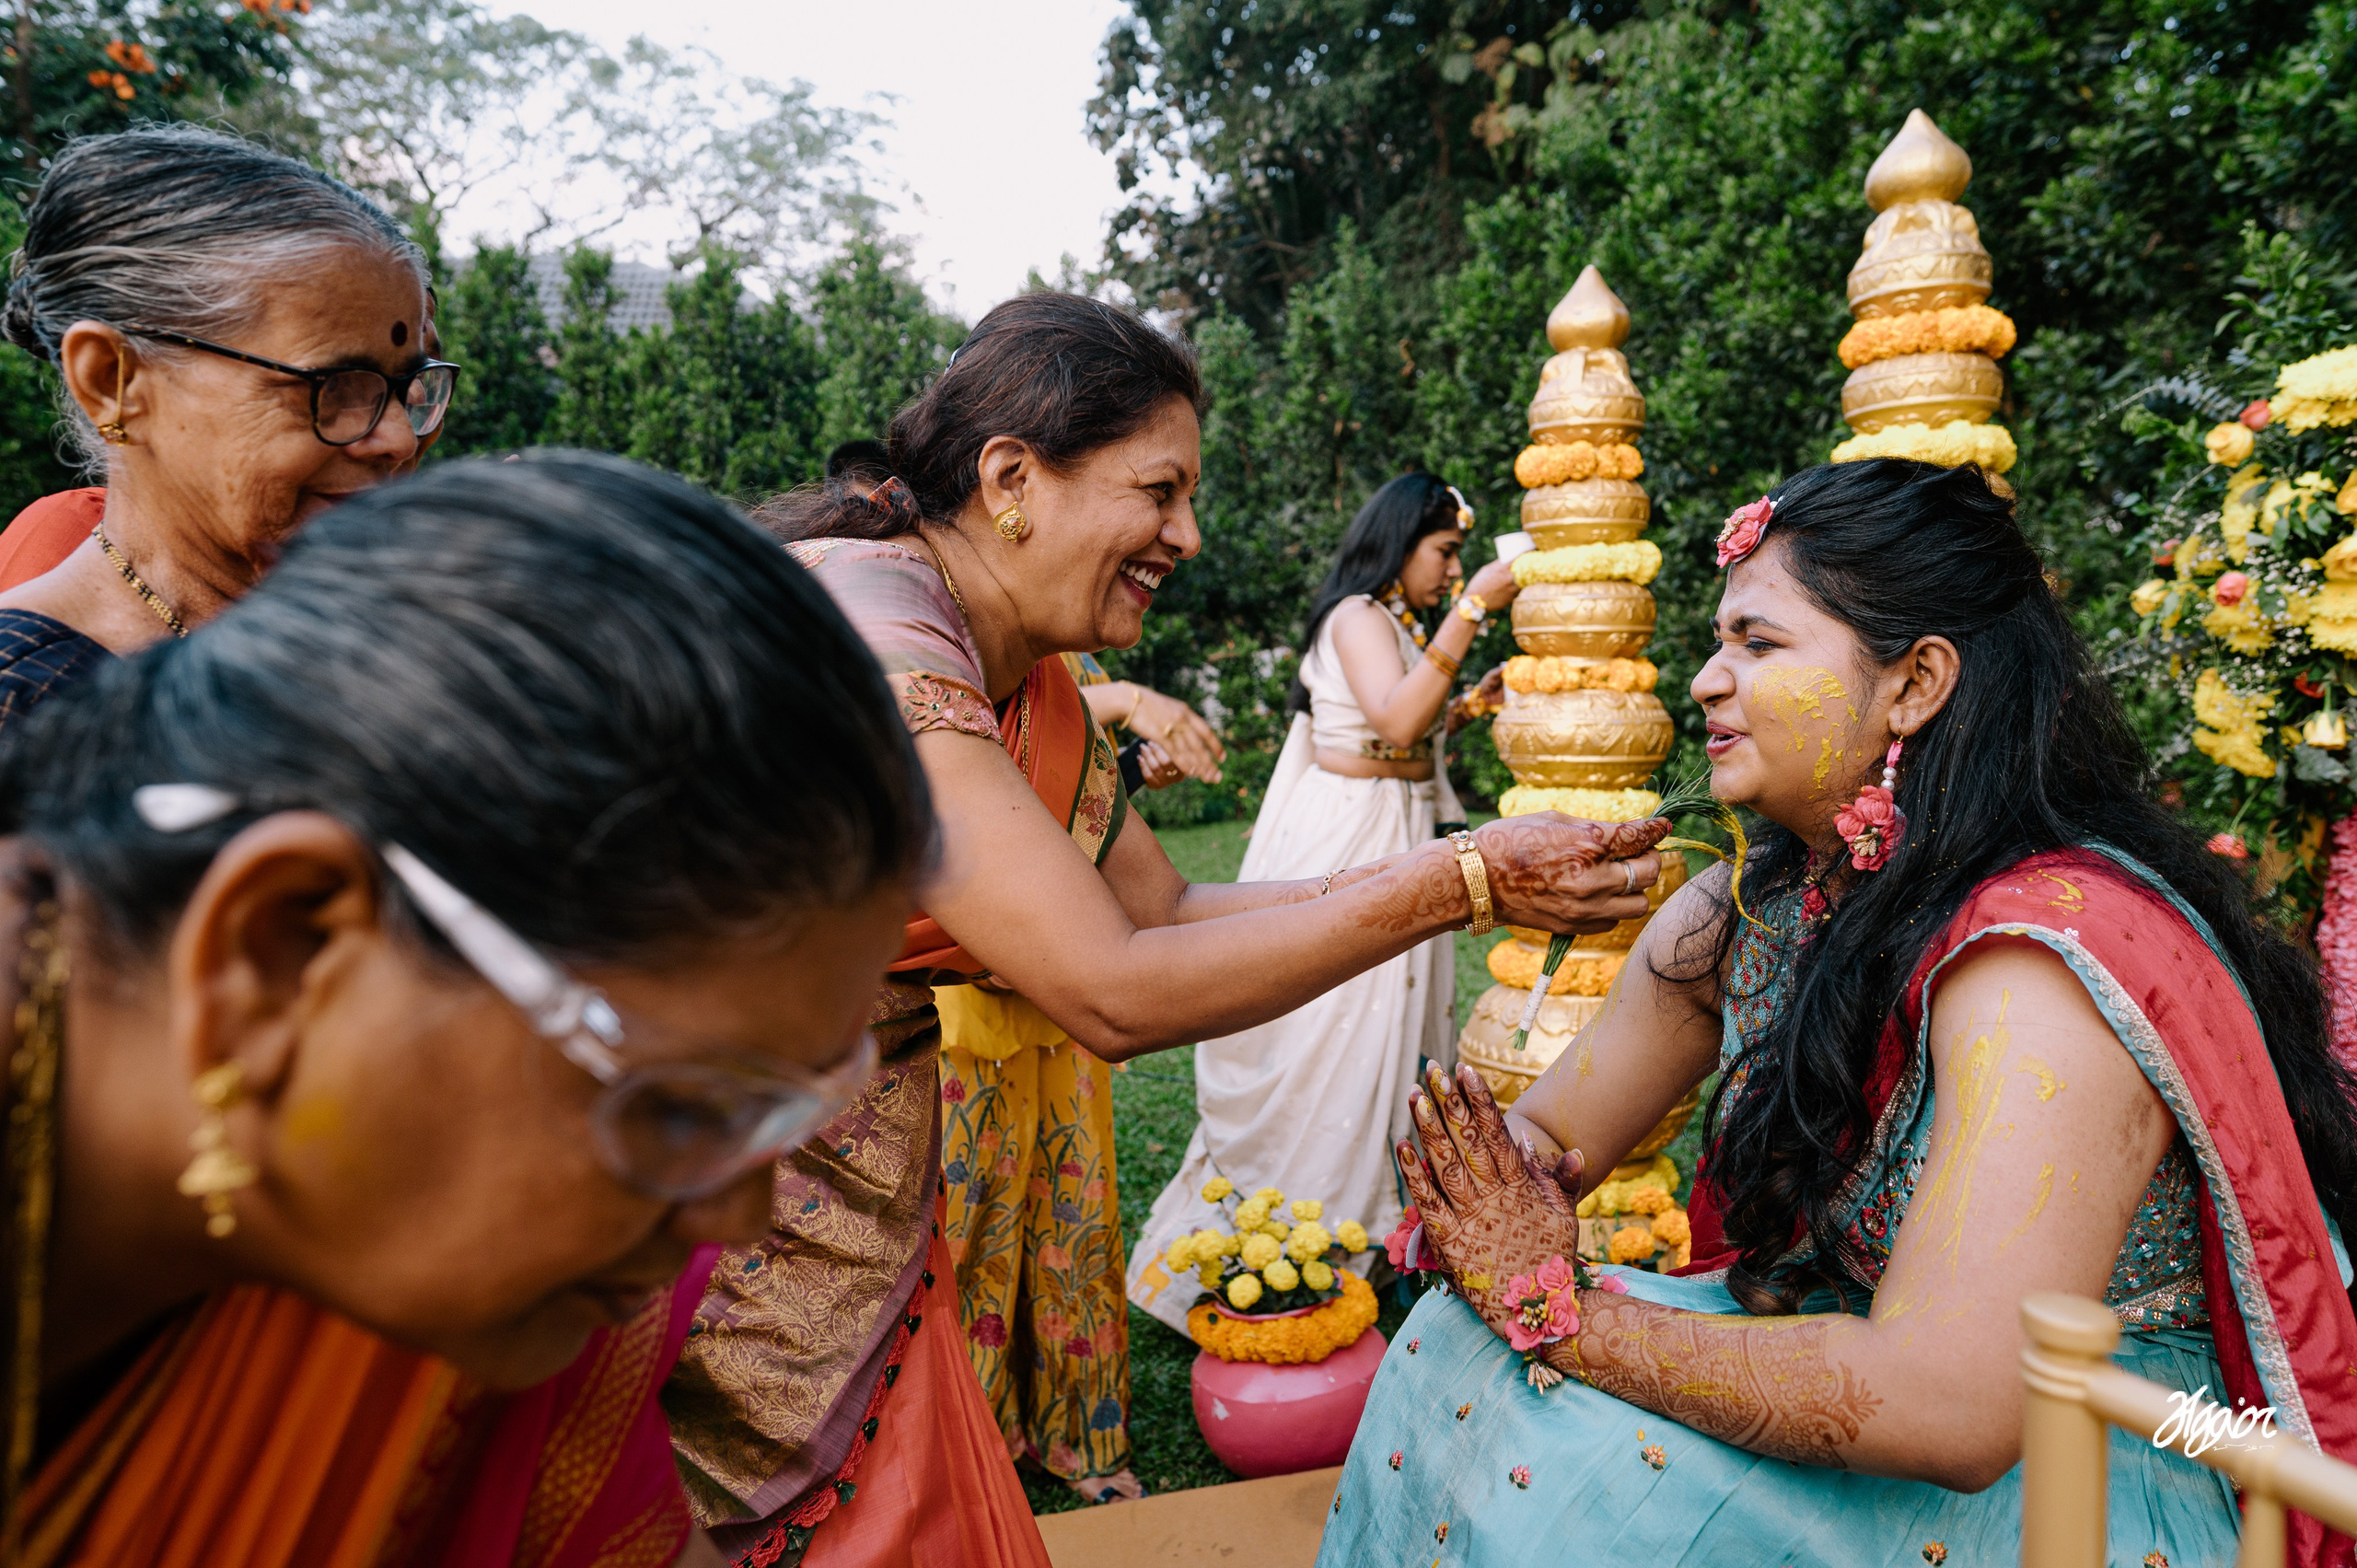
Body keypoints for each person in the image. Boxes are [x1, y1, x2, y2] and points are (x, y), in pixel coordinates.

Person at [666, 291, 1666, 1563]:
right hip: (689, 1189)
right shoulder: (877, 628)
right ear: (1013, 476)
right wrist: (1464, 879)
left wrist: (1470, 869)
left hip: (850, 1208)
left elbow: (1168, 906)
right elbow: (1113, 988)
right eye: (1160, 490)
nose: (1188, 534)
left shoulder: (1033, 688)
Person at [1318, 459, 2357, 1568]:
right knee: (1455, 1346)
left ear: (1914, 683)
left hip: (2108, 1439)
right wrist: (1488, 1184)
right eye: (1719, 642)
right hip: (1888, 1357)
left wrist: (1562, 1310)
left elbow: (1951, 1410)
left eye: (1759, 645)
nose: (1708, 681)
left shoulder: (2035, 967)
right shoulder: (1744, 906)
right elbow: (1556, 1134)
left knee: (1580, 1464)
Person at [0, 451, 927, 1564]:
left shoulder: (444, 1262)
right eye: (687, 1108)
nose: (735, 1217)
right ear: (282, 952)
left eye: (783, 1108)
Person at [1126, 470, 1513, 1331]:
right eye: (1444, 554)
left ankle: (1372, 1246)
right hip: (1352, 838)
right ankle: (1300, 1240)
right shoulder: (1357, 617)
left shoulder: (1394, 622)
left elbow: (1403, 728)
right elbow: (1396, 722)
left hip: (1394, 822)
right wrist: (1478, 609)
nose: (1451, 572)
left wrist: (1463, 707)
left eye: (1458, 561)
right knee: (1339, 1034)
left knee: (1393, 1037)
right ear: (1399, 542)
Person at [0, 124, 451, 662]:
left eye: (411, 385)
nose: (400, 438)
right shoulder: (31, 704)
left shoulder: (413, 628)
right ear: (112, 382)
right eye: (332, 387)